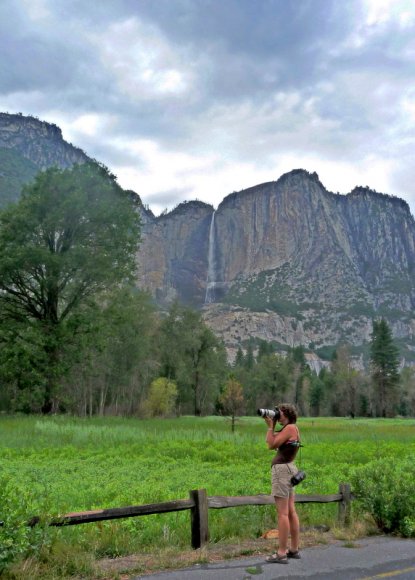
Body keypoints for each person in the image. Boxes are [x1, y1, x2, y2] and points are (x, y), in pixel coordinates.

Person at [264, 403, 301, 564]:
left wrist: (270, 427)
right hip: (289, 469)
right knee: (291, 511)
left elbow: (271, 444)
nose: (277, 414)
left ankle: (281, 553)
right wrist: (270, 426)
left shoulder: (289, 428)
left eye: (279, 412)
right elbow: (271, 443)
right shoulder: (292, 428)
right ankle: (293, 549)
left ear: (286, 413)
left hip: (282, 472)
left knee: (283, 514)